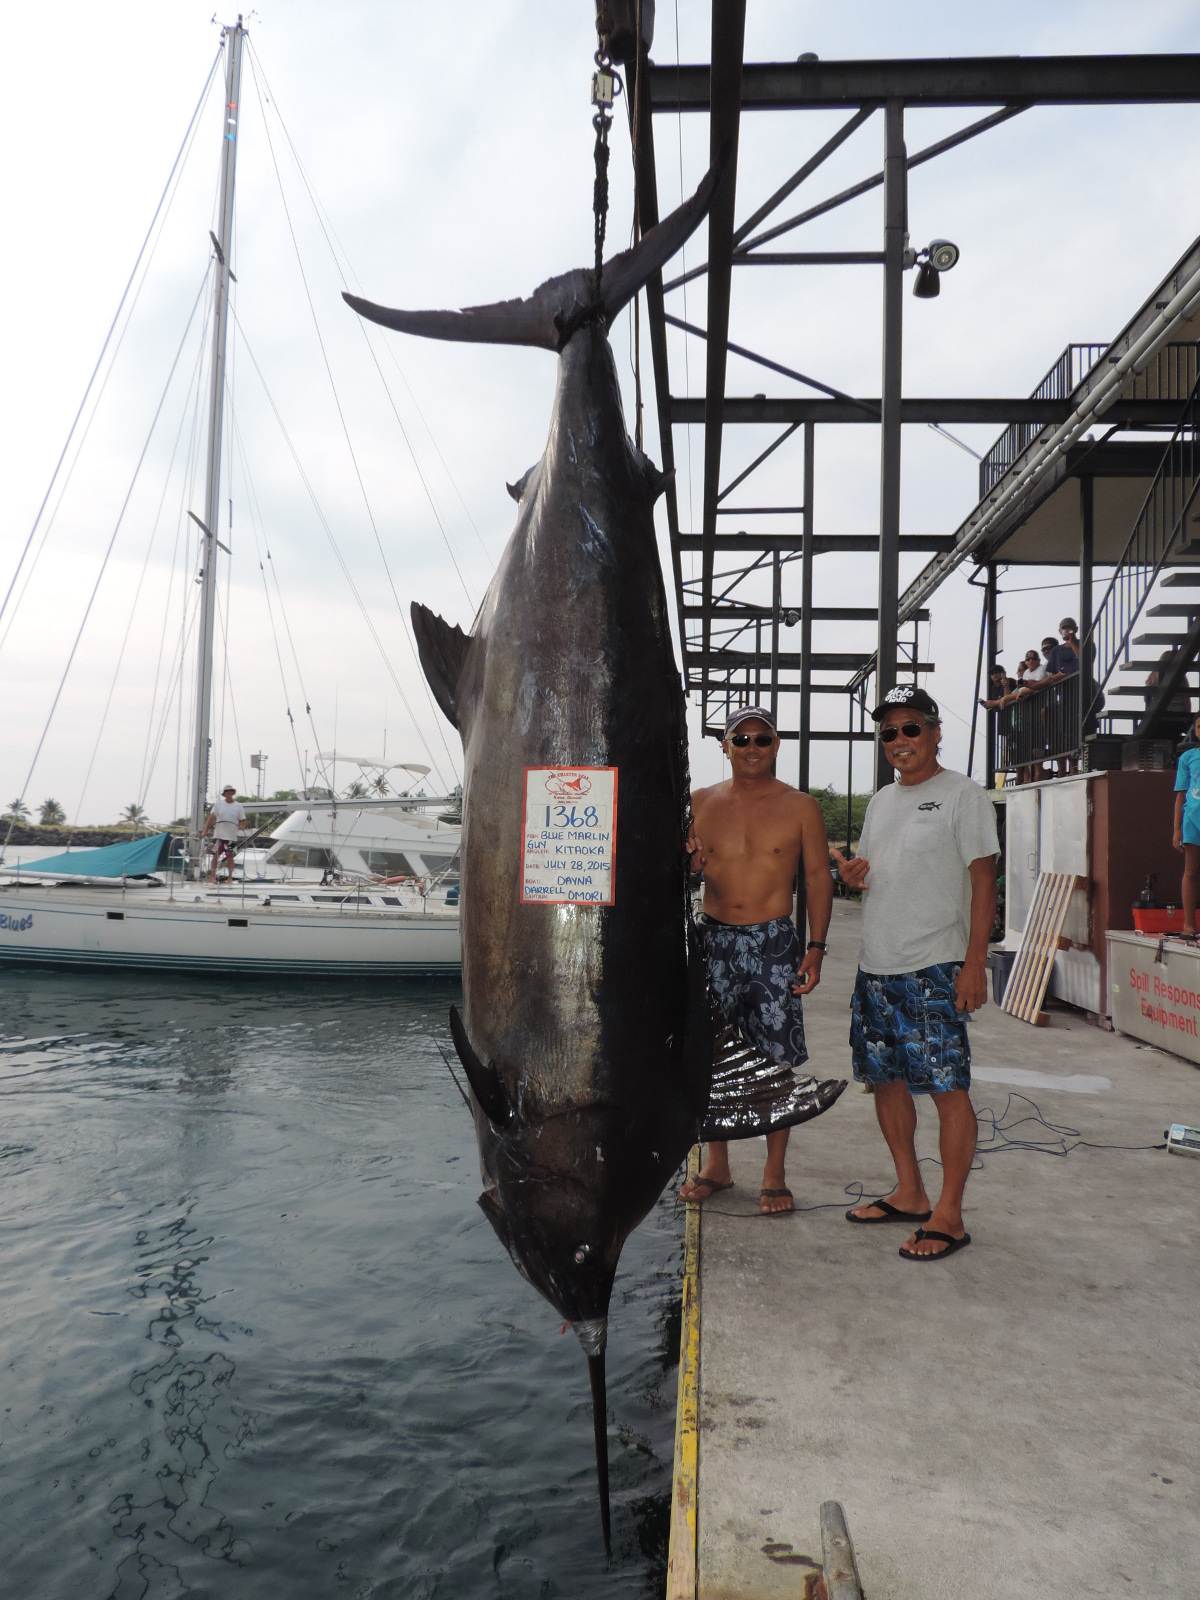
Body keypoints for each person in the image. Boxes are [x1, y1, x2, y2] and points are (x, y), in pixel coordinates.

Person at [830, 685, 998, 1261]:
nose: (898, 741)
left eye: (910, 729)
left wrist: (975, 963)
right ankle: (910, 1190)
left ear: (934, 731)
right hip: (875, 964)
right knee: (886, 1081)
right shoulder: (880, 801)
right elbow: (877, 871)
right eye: (887, 733)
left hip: (934, 966)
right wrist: (854, 876)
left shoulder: (963, 795)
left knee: (948, 1090)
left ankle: (949, 1214)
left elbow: (983, 883)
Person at [679, 706, 833, 1215]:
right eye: (740, 739)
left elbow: (816, 878)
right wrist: (692, 869)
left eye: (761, 740)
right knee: (709, 1053)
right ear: (724, 746)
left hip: (773, 943)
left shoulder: (800, 806)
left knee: (775, 1056)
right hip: (713, 941)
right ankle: (717, 1164)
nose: (750, 748)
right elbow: (680, 874)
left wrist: (815, 947)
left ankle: (774, 1173)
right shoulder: (698, 802)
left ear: (776, 746)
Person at [1173, 713, 1200, 937]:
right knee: (1191, 872)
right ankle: (1189, 925)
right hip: (1192, 821)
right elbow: (1181, 796)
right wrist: (1176, 829)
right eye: (1199, 726)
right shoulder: (1188, 757)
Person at [201, 784, 247, 882]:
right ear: (224, 793)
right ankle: (212, 877)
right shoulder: (218, 805)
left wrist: (242, 826)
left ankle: (229, 877)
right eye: (227, 791)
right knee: (216, 855)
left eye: (231, 791)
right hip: (219, 834)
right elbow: (211, 818)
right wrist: (205, 831)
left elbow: (243, 820)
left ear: (233, 793)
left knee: (229, 856)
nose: (229, 793)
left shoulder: (238, 806)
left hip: (231, 835)